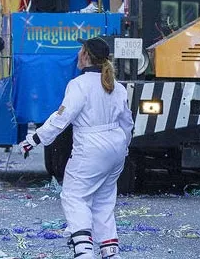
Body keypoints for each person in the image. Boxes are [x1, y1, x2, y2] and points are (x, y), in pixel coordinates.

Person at [19, 37, 133, 259]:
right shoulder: (117, 87)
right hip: (116, 147)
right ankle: (110, 253)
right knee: (103, 200)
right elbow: (127, 123)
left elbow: (61, 118)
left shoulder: (79, 85)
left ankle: (83, 252)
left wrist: (34, 139)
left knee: (74, 196)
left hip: (91, 147)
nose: (78, 54)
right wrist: (124, 148)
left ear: (86, 56)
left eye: (80, 50)